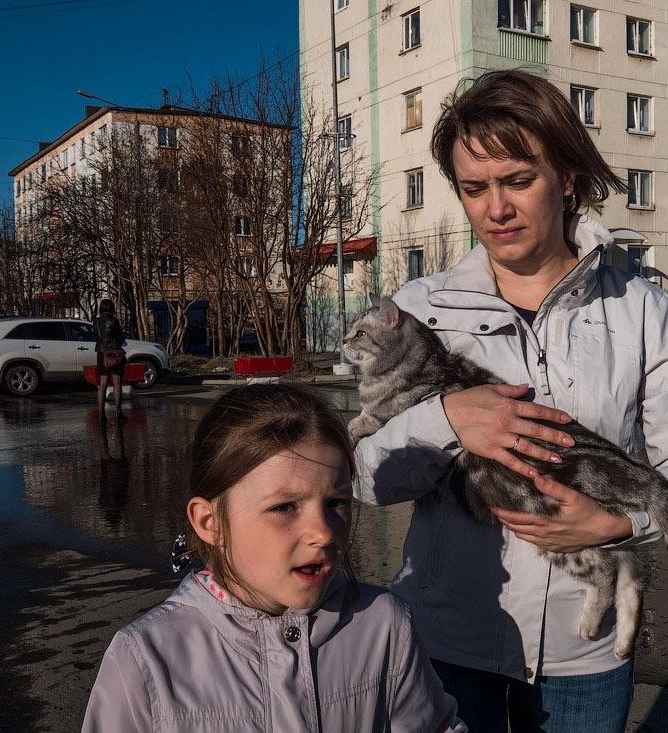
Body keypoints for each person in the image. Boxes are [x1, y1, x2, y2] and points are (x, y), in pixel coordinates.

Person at [352, 69, 668, 731]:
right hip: (449, 643)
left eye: (518, 180)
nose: (495, 209)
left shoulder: (638, 306)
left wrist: (617, 524)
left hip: (585, 652)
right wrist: (446, 420)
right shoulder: (420, 311)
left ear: (568, 177)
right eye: (474, 188)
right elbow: (366, 477)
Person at [82, 385, 464, 732]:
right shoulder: (147, 659)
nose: (323, 532)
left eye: (336, 503)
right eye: (284, 507)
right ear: (209, 521)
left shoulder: (384, 627)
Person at [93, 298, 126, 427]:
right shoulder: (114, 321)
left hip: (101, 354)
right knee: (117, 383)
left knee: (103, 384)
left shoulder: (95, 321)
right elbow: (120, 338)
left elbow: (95, 337)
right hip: (114, 354)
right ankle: (118, 412)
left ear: (101, 308)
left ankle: (101, 413)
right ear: (112, 308)